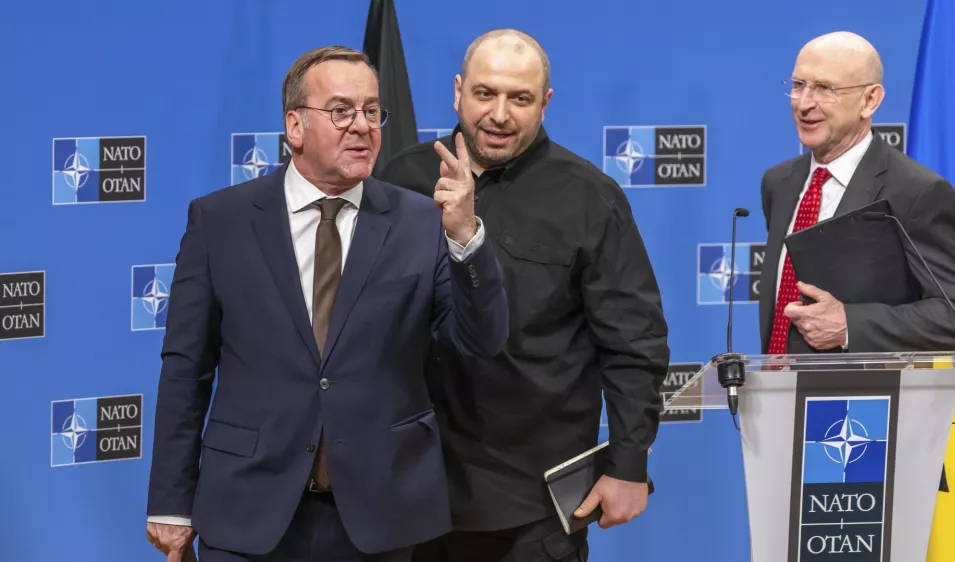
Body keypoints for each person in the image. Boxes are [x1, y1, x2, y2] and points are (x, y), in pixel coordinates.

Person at [144, 45, 509, 562]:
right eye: (340, 111)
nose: (361, 126)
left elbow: (482, 342)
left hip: (379, 515)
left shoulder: (422, 222)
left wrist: (467, 237)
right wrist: (170, 502)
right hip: (249, 511)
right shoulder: (220, 222)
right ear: (295, 126)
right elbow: (187, 369)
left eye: (371, 111)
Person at [379, 29, 669, 562]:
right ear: (458, 91)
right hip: (409, 492)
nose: (500, 114)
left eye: (520, 98)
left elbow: (635, 344)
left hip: (530, 504)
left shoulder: (590, 197)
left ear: (546, 103)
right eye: (485, 94)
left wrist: (629, 464)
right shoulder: (399, 179)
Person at [758, 31, 955, 355]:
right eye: (798, 85)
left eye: (825, 88)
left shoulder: (916, 192)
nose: (805, 103)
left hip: (862, 400)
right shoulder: (778, 182)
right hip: (775, 394)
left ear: (870, 100)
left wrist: (849, 325)